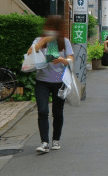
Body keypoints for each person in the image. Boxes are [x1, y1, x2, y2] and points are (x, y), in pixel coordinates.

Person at [27, 15, 74, 154]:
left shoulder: (64, 41)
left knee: (57, 112)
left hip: (59, 81)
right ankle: (44, 142)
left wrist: (63, 60)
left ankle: (56, 140)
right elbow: (30, 53)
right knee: (42, 111)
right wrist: (43, 41)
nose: (51, 30)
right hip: (42, 81)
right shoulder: (39, 40)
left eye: (54, 28)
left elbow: (71, 58)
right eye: (49, 27)